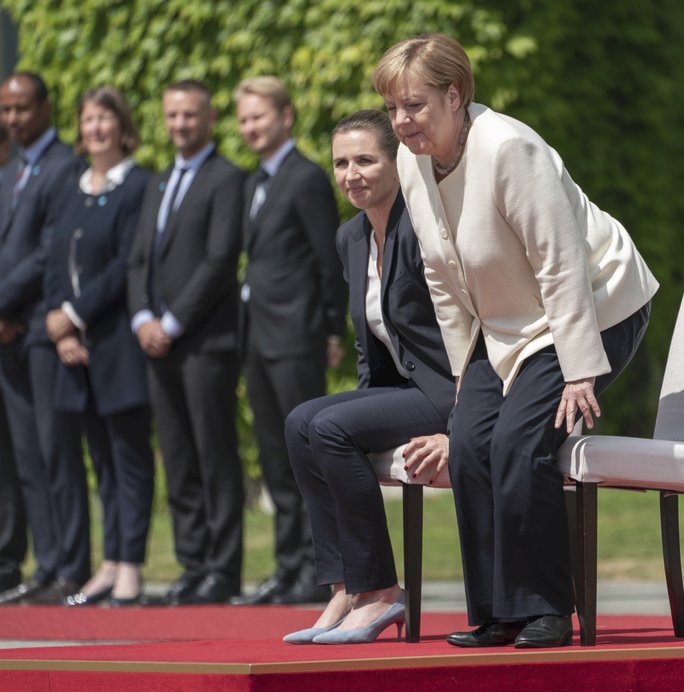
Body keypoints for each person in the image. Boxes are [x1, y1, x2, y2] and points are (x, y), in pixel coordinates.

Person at [372, 33, 658, 648]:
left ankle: (547, 610)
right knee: (471, 442)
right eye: (392, 107)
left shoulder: (509, 147)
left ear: (456, 96)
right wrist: (460, 387)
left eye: (414, 105)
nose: (401, 121)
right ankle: (498, 612)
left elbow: (561, 264)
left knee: (518, 440)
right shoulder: (410, 163)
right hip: (504, 329)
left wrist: (582, 367)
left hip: (591, 310)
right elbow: (443, 277)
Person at [282, 110, 454, 645]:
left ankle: (380, 591)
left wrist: (463, 423)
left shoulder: (425, 227)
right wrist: (359, 407)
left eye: (364, 160)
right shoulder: (351, 237)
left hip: (448, 390)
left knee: (331, 428)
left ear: (398, 162)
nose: (351, 173)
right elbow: (369, 344)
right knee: (301, 422)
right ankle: (345, 584)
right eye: (340, 162)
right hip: (401, 388)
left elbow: (471, 328)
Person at [127, 80, 245, 605]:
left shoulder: (227, 179)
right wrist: (142, 318)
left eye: (189, 115)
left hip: (204, 343)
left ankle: (223, 569)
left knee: (213, 455)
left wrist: (171, 323)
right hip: (156, 343)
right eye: (172, 115)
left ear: (210, 117)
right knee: (175, 456)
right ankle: (192, 565)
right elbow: (137, 260)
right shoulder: (157, 182)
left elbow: (220, 261)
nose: (179, 124)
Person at [232, 76, 345, 605]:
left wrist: (329, 328)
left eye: (259, 116)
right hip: (257, 337)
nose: (251, 127)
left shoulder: (305, 178)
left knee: (303, 458)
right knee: (276, 459)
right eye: (245, 118)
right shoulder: (256, 181)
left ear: (285, 117)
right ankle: (286, 564)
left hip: (297, 336)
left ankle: (315, 571)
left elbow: (329, 261)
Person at [45, 86, 155, 607]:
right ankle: (108, 563)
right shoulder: (71, 185)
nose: (96, 129)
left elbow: (124, 266)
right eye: (89, 119)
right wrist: (61, 327)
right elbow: (53, 258)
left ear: (121, 126)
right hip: (76, 351)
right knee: (101, 463)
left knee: (130, 459)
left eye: (105, 119)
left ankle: (130, 565)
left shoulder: (137, 184)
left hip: (116, 346)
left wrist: (73, 315)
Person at [0, 72, 89, 605]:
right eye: (6, 110)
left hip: (41, 329)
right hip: (9, 332)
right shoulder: (11, 170)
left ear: (46, 107)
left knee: (58, 451)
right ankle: (47, 564)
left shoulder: (63, 167)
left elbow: (48, 252)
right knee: (28, 455)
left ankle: (72, 568)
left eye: (22, 108)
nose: (13, 119)